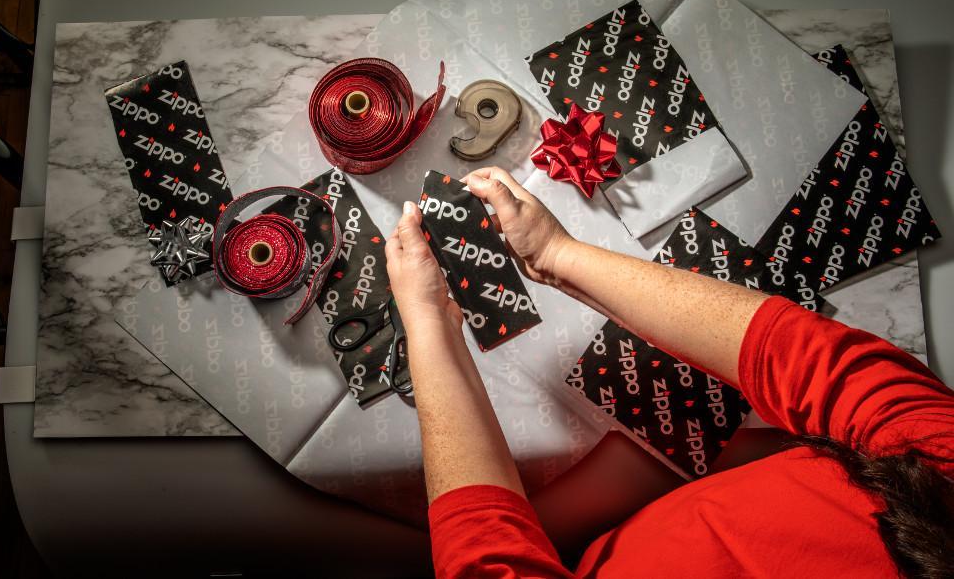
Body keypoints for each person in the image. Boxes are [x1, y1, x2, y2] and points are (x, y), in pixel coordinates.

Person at [384, 166, 954, 578]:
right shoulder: (944, 473)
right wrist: (555, 255)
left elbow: (488, 560)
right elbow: (800, 358)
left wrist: (429, 323)